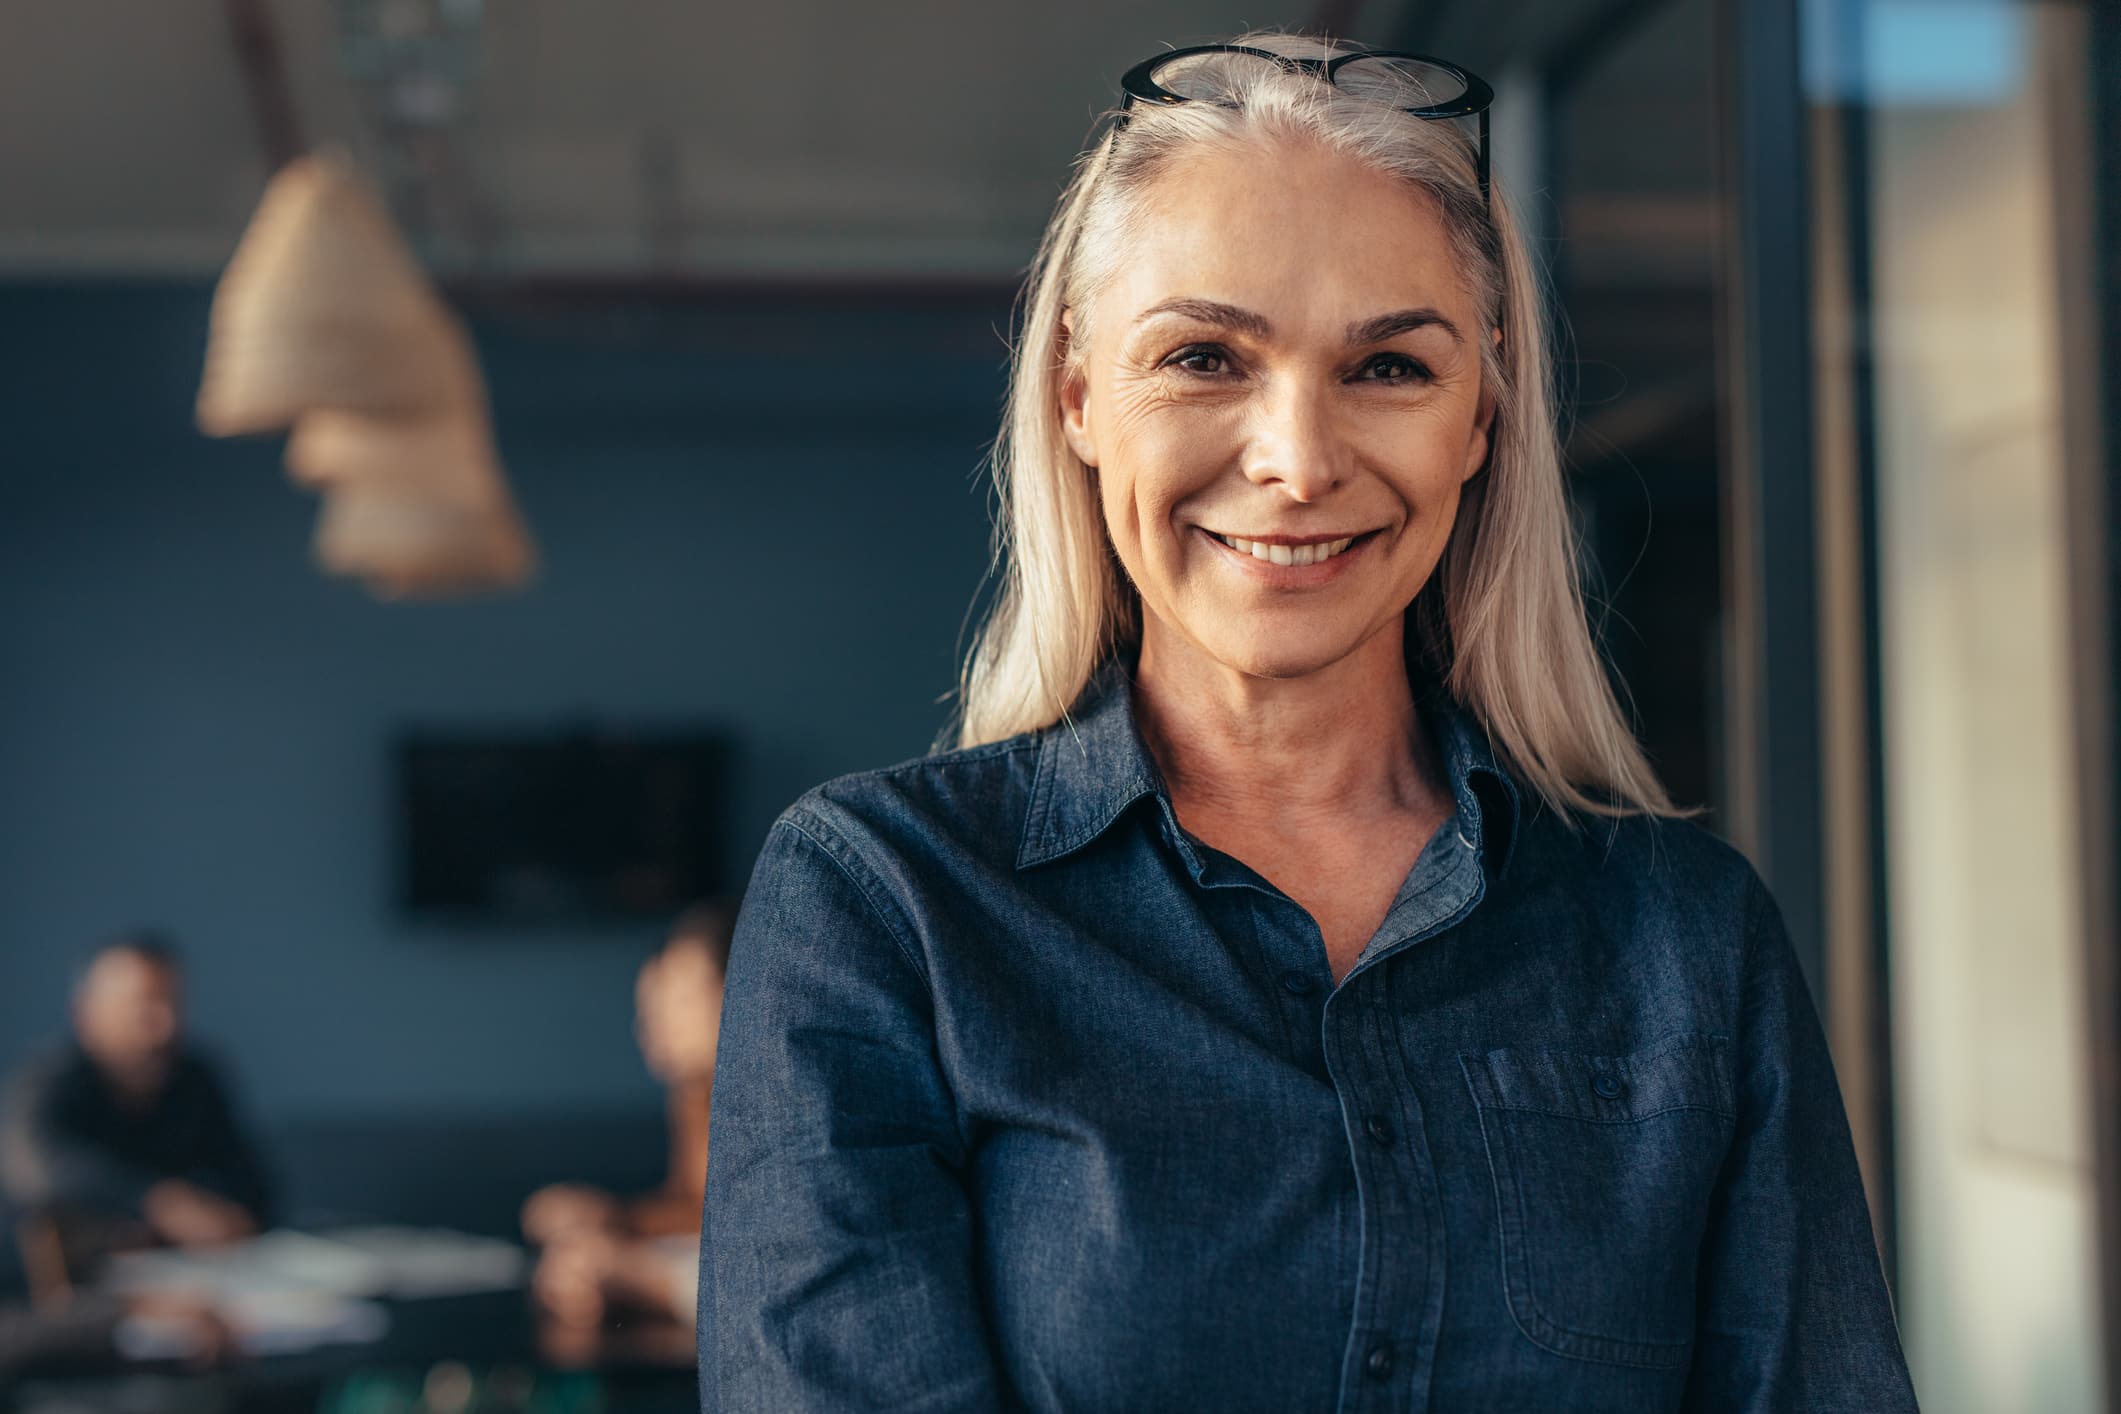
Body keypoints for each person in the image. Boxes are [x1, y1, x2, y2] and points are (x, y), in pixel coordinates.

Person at [698, 31, 1920, 1414]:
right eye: (1205, 356)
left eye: (1389, 368)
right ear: (1079, 392)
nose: (1296, 458)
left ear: (1481, 410)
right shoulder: (890, 904)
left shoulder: (1685, 936)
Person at [524, 902, 729, 1332]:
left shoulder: (766, 1099)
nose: (655, 1025)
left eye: (680, 998)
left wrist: (630, 1272)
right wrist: (611, 1218)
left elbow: (762, 1260)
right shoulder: (694, 1095)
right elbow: (698, 1207)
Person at [0, 932, 272, 1257]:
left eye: (174, 1003)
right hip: (67, 1291)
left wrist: (228, 1216)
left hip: (192, 1279)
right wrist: (158, 1203)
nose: (165, 1025)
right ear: (86, 1016)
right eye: (143, 1008)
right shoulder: (47, 1080)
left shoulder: (195, 1078)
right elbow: (32, 1169)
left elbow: (253, 1183)